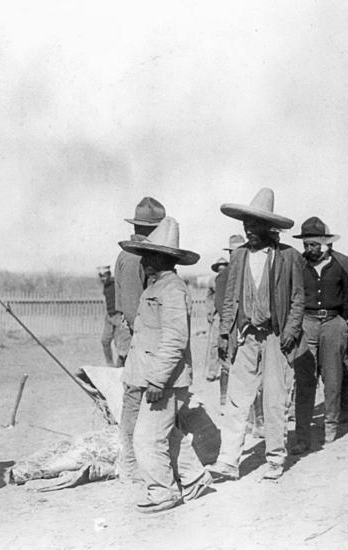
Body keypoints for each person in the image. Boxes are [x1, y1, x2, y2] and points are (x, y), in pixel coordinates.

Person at [118, 216, 212, 513]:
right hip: (154, 377)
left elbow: (174, 340)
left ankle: (163, 491)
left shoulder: (172, 290)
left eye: (148, 255)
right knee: (168, 435)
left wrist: (157, 381)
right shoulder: (156, 287)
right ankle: (195, 479)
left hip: (166, 381)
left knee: (147, 438)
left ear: (163, 258)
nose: (143, 260)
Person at [211, 188, 304, 482]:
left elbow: (299, 299)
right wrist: (225, 332)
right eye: (246, 225)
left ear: (268, 227)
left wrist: (290, 330)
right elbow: (229, 298)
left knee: (274, 399)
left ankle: (275, 458)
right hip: (246, 335)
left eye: (255, 225)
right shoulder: (238, 256)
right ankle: (228, 462)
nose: (249, 230)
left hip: (276, 336)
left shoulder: (289, 257)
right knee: (237, 399)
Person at [291, 217, 348, 454]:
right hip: (306, 322)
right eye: (306, 244)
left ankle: (331, 426)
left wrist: (343, 320)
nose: (309, 249)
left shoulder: (342, 263)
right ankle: (302, 436)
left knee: (333, 378)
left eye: (313, 245)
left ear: (325, 244)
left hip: (333, 322)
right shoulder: (298, 264)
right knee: (305, 379)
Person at [114, 196, 166, 482]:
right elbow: (135, 310)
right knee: (137, 399)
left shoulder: (130, 254)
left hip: (136, 338)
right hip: (140, 340)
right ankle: (132, 465)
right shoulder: (138, 257)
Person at [205, 257, 229, 387]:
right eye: (219, 269)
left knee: (227, 342)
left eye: (224, 268)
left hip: (229, 315)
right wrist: (209, 312)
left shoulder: (231, 280)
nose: (222, 271)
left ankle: (226, 369)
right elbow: (209, 297)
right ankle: (212, 371)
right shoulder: (212, 280)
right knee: (214, 343)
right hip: (217, 316)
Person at [97, 266, 125, 367]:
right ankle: (110, 364)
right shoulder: (105, 286)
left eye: (104, 276)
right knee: (105, 341)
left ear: (109, 275)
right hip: (109, 317)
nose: (102, 278)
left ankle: (120, 367)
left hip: (118, 316)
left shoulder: (115, 284)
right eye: (100, 276)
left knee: (120, 344)